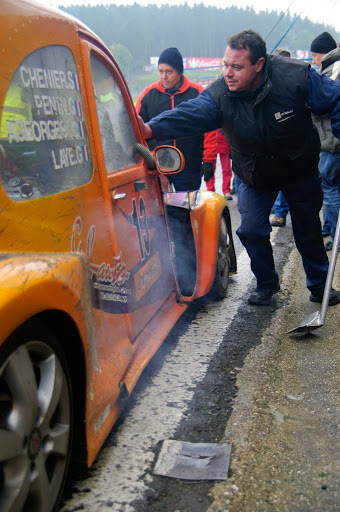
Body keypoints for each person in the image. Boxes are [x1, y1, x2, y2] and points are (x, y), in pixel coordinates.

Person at [138, 29, 340, 306]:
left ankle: (320, 285)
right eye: (225, 65)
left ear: (259, 64)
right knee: (252, 230)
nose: (228, 73)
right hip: (253, 171)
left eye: (237, 67)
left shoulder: (297, 75)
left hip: (299, 168)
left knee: (307, 230)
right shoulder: (221, 92)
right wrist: (151, 128)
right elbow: (191, 114)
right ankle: (267, 283)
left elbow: (336, 98)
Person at [136, 47, 216, 191]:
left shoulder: (197, 92)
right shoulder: (148, 95)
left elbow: (210, 129)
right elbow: (136, 129)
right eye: (161, 71)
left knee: (186, 210)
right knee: (161, 211)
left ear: (179, 72)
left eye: (169, 72)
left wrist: (209, 160)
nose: (164, 76)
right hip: (158, 165)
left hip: (189, 165)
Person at [310, 32, 340, 251]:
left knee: (330, 190)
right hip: (331, 140)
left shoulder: (333, 71)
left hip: (332, 142)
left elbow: (323, 105)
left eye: (315, 55)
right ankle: (330, 228)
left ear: (324, 53)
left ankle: (337, 235)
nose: (313, 60)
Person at [270, 48, 291, 228]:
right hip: (269, 145)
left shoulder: (295, 84)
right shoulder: (264, 84)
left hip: (291, 146)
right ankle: (276, 208)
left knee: (286, 179)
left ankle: (280, 212)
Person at [206, 129, 233, 200]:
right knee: (210, 168)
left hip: (224, 140)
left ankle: (226, 190)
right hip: (211, 141)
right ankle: (210, 189)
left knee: (227, 169)